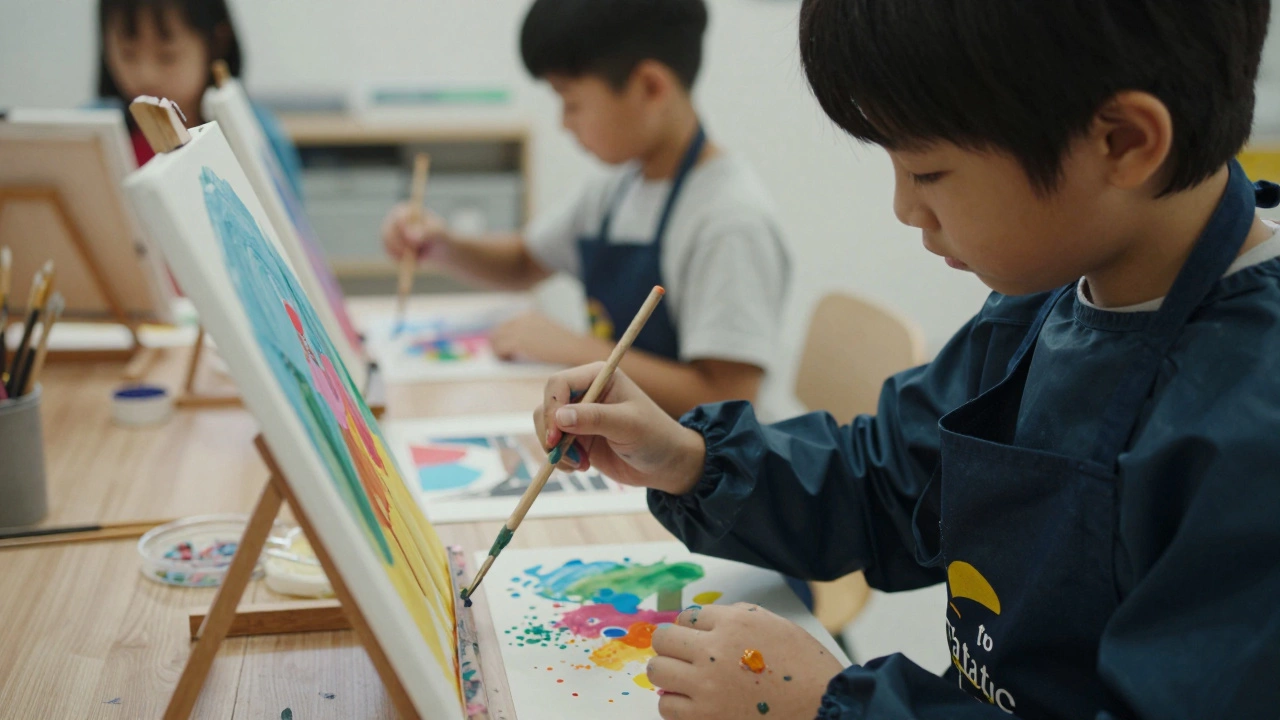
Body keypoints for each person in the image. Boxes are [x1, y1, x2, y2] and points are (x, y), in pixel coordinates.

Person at [532, 1, 1280, 718]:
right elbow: (889, 483)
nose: (904, 209)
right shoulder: (1047, 302)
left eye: (927, 173)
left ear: (1122, 142)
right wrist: (688, 459)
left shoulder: (1250, 432)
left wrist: (831, 707)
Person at [381, 0, 791, 420]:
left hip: (711, 472)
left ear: (650, 88)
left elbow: (728, 398)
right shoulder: (617, 188)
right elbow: (524, 262)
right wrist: (442, 245)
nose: (563, 123)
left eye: (571, 101)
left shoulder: (728, 221)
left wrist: (573, 348)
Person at [93, 0, 303, 196]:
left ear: (217, 42)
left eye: (167, 56)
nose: (146, 75)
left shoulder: (258, 136)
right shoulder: (89, 135)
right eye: (127, 53)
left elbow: (290, 233)